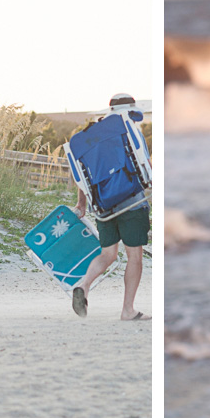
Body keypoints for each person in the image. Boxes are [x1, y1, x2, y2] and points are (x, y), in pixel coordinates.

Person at [72, 96, 150, 322]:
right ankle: (128, 310)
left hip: (103, 206)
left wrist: (82, 204)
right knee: (134, 257)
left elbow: (81, 177)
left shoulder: (90, 137)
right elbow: (145, 165)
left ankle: (84, 285)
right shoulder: (129, 131)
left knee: (108, 254)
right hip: (132, 203)